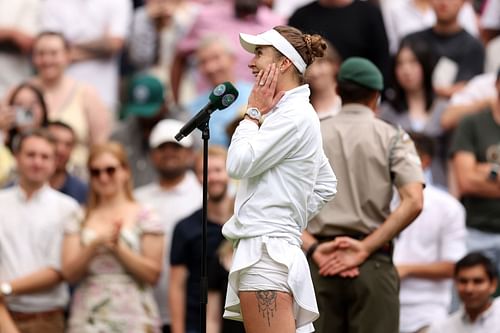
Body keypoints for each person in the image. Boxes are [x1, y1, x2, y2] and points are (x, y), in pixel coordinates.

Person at [221, 25, 338, 333]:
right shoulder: (294, 112)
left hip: (265, 255)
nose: (251, 62)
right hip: (274, 250)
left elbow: (237, 164)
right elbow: (326, 183)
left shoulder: (289, 115)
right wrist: (286, 215)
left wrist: (252, 113)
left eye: (260, 53)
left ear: (284, 62)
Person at [306, 57, 425, 333]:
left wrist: (313, 248)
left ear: (338, 90)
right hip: (372, 263)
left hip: (317, 263)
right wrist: (365, 248)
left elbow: (279, 202)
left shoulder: (311, 134)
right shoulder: (394, 136)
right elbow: (414, 200)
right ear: (376, 95)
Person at [62, 142, 164, 332]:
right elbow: (69, 274)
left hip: (135, 314)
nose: (103, 177)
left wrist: (118, 249)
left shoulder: (146, 214)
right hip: (88, 316)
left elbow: (153, 274)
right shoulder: (79, 216)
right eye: (96, 172)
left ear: (125, 171)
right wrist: (94, 246)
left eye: (110, 170)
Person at [0, 130, 80, 333]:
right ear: (16, 157)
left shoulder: (67, 207)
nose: (37, 162)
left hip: (46, 318)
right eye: (30, 155)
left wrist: (6, 288)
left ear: (54, 163)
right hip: (4, 313)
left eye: (45, 157)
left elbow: (59, 269)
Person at [394, 132, 466, 333]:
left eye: (402, 156)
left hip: (426, 314)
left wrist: (405, 269)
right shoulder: (376, 201)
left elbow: (454, 266)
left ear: (424, 161)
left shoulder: (448, 207)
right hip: (378, 309)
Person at [134, 119, 202, 333]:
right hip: (145, 311)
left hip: (194, 312)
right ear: (151, 155)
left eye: (176, 147)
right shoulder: (137, 199)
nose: (169, 153)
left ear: (190, 153)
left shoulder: (204, 197)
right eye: (162, 147)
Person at [169, 145, 233, 333]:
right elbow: (176, 287)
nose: (212, 178)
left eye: (218, 170)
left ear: (230, 171)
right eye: (205, 172)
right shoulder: (185, 228)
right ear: (196, 177)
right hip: (197, 322)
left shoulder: (248, 219)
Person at [30, 31, 112, 177]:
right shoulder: (21, 92)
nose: (47, 60)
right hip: (29, 175)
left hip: (76, 177)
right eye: (41, 53)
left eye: (54, 53)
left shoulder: (87, 94)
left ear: (68, 56)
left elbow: (100, 146)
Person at [449, 69, 500, 282]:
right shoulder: (473, 123)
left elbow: (473, 175)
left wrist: (486, 169)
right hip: (477, 230)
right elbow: (466, 182)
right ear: (496, 84)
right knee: (470, 296)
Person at [378, 40, 449, 187]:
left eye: (413, 62)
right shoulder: (386, 112)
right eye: (400, 64)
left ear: (425, 65)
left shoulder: (443, 108)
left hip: (439, 188)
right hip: (399, 190)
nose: (406, 70)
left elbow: (451, 157)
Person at [40, 0, 132, 112]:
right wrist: (103, 43)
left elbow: (115, 43)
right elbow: (48, 48)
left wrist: (68, 46)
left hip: (103, 97)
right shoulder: (53, 3)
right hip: (61, 100)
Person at [112, 74, 188, 188]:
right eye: (140, 112)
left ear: (165, 103)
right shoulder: (121, 134)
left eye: (150, 113)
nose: (145, 118)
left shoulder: (183, 126)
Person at [288, 0, 390, 82]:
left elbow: (382, 60)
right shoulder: (301, 16)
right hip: (311, 97)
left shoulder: (369, 14)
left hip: (359, 93)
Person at [401, 0, 484, 98]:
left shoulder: (473, 46)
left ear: (463, 2)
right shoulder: (412, 41)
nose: (444, 2)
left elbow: (470, 89)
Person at [186, 35, 252, 147]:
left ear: (232, 58)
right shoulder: (193, 107)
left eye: (216, 58)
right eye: (203, 62)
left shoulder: (254, 95)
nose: (210, 67)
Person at [427, 252, 500, 333]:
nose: (469, 289)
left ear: (493, 284)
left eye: (478, 281)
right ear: (455, 284)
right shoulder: (441, 329)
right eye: (463, 281)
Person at [0, 82, 49, 186]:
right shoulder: (3, 141)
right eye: (19, 105)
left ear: (43, 108)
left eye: (33, 104)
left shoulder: (55, 141)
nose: (27, 110)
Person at [0, 0, 40, 98]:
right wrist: (11, 34)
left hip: (15, 82)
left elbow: (27, 42)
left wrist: (10, 34)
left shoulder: (30, 3)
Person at [47, 121, 88, 204]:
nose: (61, 150)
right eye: (55, 141)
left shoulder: (82, 191)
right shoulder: (20, 187)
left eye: (68, 144)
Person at [305, 40, 342, 120]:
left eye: (320, 63)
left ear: (335, 64)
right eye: (309, 65)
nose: (314, 72)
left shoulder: (350, 101)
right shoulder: (302, 105)